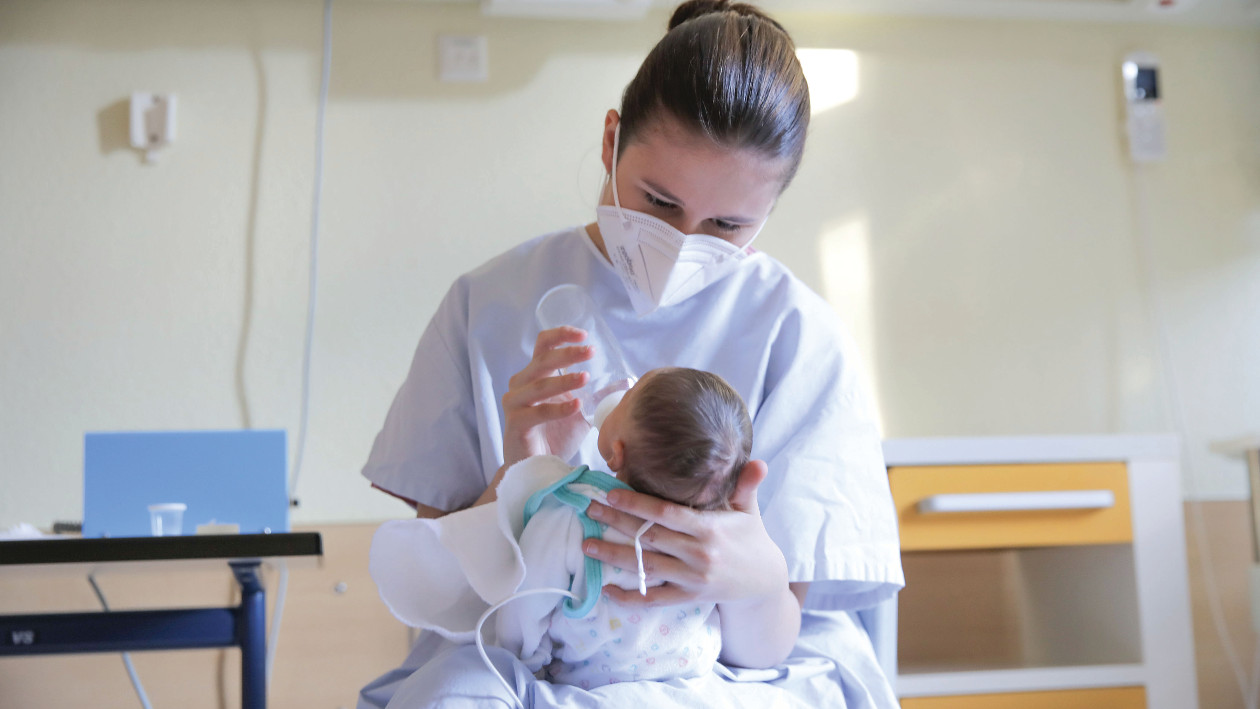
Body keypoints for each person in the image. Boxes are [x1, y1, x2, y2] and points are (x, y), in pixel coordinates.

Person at [358, 0, 905, 706]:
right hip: (523, 654)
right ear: (612, 142)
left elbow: (769, 640)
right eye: (658, 202)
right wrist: (519, 480)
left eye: (728, 223)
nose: (682, 242)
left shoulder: (797, 334)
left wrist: (749, 573)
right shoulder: (489, 302)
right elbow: (456, 596)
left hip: (724, 668)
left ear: (771, 210)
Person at [369, 367, 752, 694]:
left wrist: (523, 659)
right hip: (690, 683)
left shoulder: (574, 513)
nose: (623, 385)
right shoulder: (715, 540)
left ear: (614, 453)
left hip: (583, 686)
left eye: (630, 393)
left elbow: (525, 599)